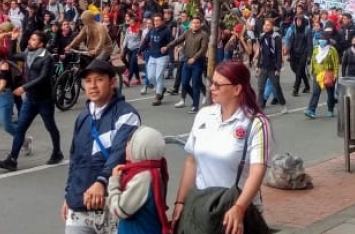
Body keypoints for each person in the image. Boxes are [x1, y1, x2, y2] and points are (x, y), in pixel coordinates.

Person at [172, 61, 271, 234]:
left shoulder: (256, 123)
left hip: (235, 211)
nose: (211, 88)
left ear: (237, 89)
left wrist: (239, 208)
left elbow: (257, 171)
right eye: (211, 82)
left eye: (218, 84)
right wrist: (180, 202)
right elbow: (191, 162)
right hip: (201, 209)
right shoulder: (204, 115)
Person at [62, 59, 141, 234]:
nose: (93, 86)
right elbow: (75, 159)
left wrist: (101, 181)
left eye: (99, 80)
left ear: (112, 82)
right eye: (88, 81)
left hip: (111, 206)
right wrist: (68, 194)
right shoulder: (82, 117)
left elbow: (119, 153)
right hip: (80, 205)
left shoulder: (127, 115)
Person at [0, 31, 65, 170]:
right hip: (30, 100)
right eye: (30, 38)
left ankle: (57, 152)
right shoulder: (28, 53)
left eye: (34, 40)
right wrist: (14, 40)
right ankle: (12, 159)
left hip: (44, 99)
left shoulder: (46, 57)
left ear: (41, 44)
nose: (30, 41)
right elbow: (11, 56)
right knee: (20, 128)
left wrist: (24, 87)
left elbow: (43, 77)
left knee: (50, 126)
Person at [107, 126, 170, 234]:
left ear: (139, 148)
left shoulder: (143, 177)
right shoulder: (156, 169)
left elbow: (120, 210)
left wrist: (114, 182)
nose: (126, 146)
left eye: (129, 144)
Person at [252, 19, 287, 114]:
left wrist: (278, 68)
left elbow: (279, 53)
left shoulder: (276, 37)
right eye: (265, 25)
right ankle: (259, 107)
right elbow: (261, 51)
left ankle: (283, 105)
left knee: (276, 86)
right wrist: (258, 66)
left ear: (272, 26)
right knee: (260, 87)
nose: (266, 26)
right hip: (264, 66)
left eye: (268, 25)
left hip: (273, 67)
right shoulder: (262, 36)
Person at [304, 32, 339, 119]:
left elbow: (336, 63)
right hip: (318, 74)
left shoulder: (332, 50)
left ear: (327, 41)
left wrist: (336, 74)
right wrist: (312, 71)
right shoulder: (316, 49)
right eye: (320, 39)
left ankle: (330, 109)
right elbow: (313, 61)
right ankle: (311, 110)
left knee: (330, 93)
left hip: (328, 74)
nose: (321, 41)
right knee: (315, 92)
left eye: (323, 39)